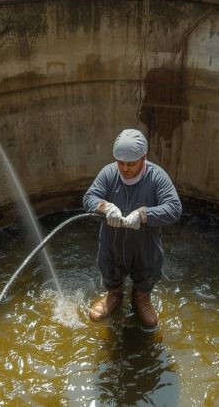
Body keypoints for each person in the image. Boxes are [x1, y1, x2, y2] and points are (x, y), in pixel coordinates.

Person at [83, 129, 182, 328]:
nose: (124, 168)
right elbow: (89, 198)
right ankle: (114, 295)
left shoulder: (156, 177)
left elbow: (174, 208)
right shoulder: (109, 173)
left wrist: (144, 215)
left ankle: (142, 298)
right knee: (110, 267)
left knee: (146, 270)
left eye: (131, 163)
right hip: (113, 242)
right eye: (120, 162)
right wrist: (104, 206)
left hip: (144, 245)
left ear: (143, 158)